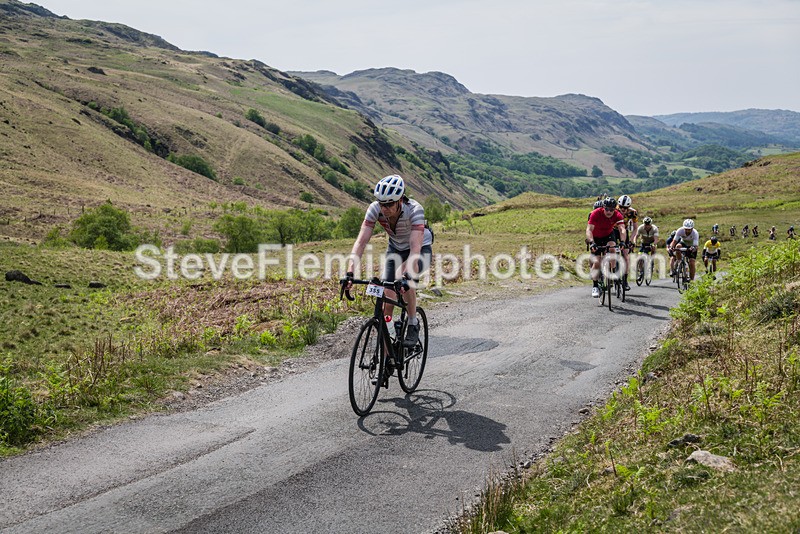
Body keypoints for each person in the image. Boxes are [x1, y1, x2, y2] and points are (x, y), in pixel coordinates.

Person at [344, 175, 433, 348]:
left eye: (389, 204)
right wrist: (349, 272)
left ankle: (413, 322)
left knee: (401, 278)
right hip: (395, 250)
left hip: (421, 249)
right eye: (381, 203)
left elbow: (415, 249)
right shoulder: (375, 209)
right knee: (386, 298)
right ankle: (388, 357)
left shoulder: (414, 210)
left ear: (400, 200)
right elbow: (361, 242)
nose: (384, 208)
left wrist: (407, 276)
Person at [586, 197, 626, 298]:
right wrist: (592, 242)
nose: (609, 212)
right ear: (603, 207)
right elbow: (589, 229)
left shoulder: (617, 214)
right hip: (596, 237)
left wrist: (622, 242)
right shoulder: (595, 213)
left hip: (608, 235)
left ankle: (612, 272)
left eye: (611, 209)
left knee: (612, 248)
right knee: (597, 262)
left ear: (614, 209)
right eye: (607, 209)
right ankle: (595, 286)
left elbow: (622, 229)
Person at [616, 194, 637, 291]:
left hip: (624, 231)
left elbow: (635, 228)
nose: (623, 209)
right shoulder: (614, 209)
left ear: (629, 207)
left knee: (625, 255)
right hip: (613, 230)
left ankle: (625, 280)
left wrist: (632, 240)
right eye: (621, 207)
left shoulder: (632, 213)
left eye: (625, 208)